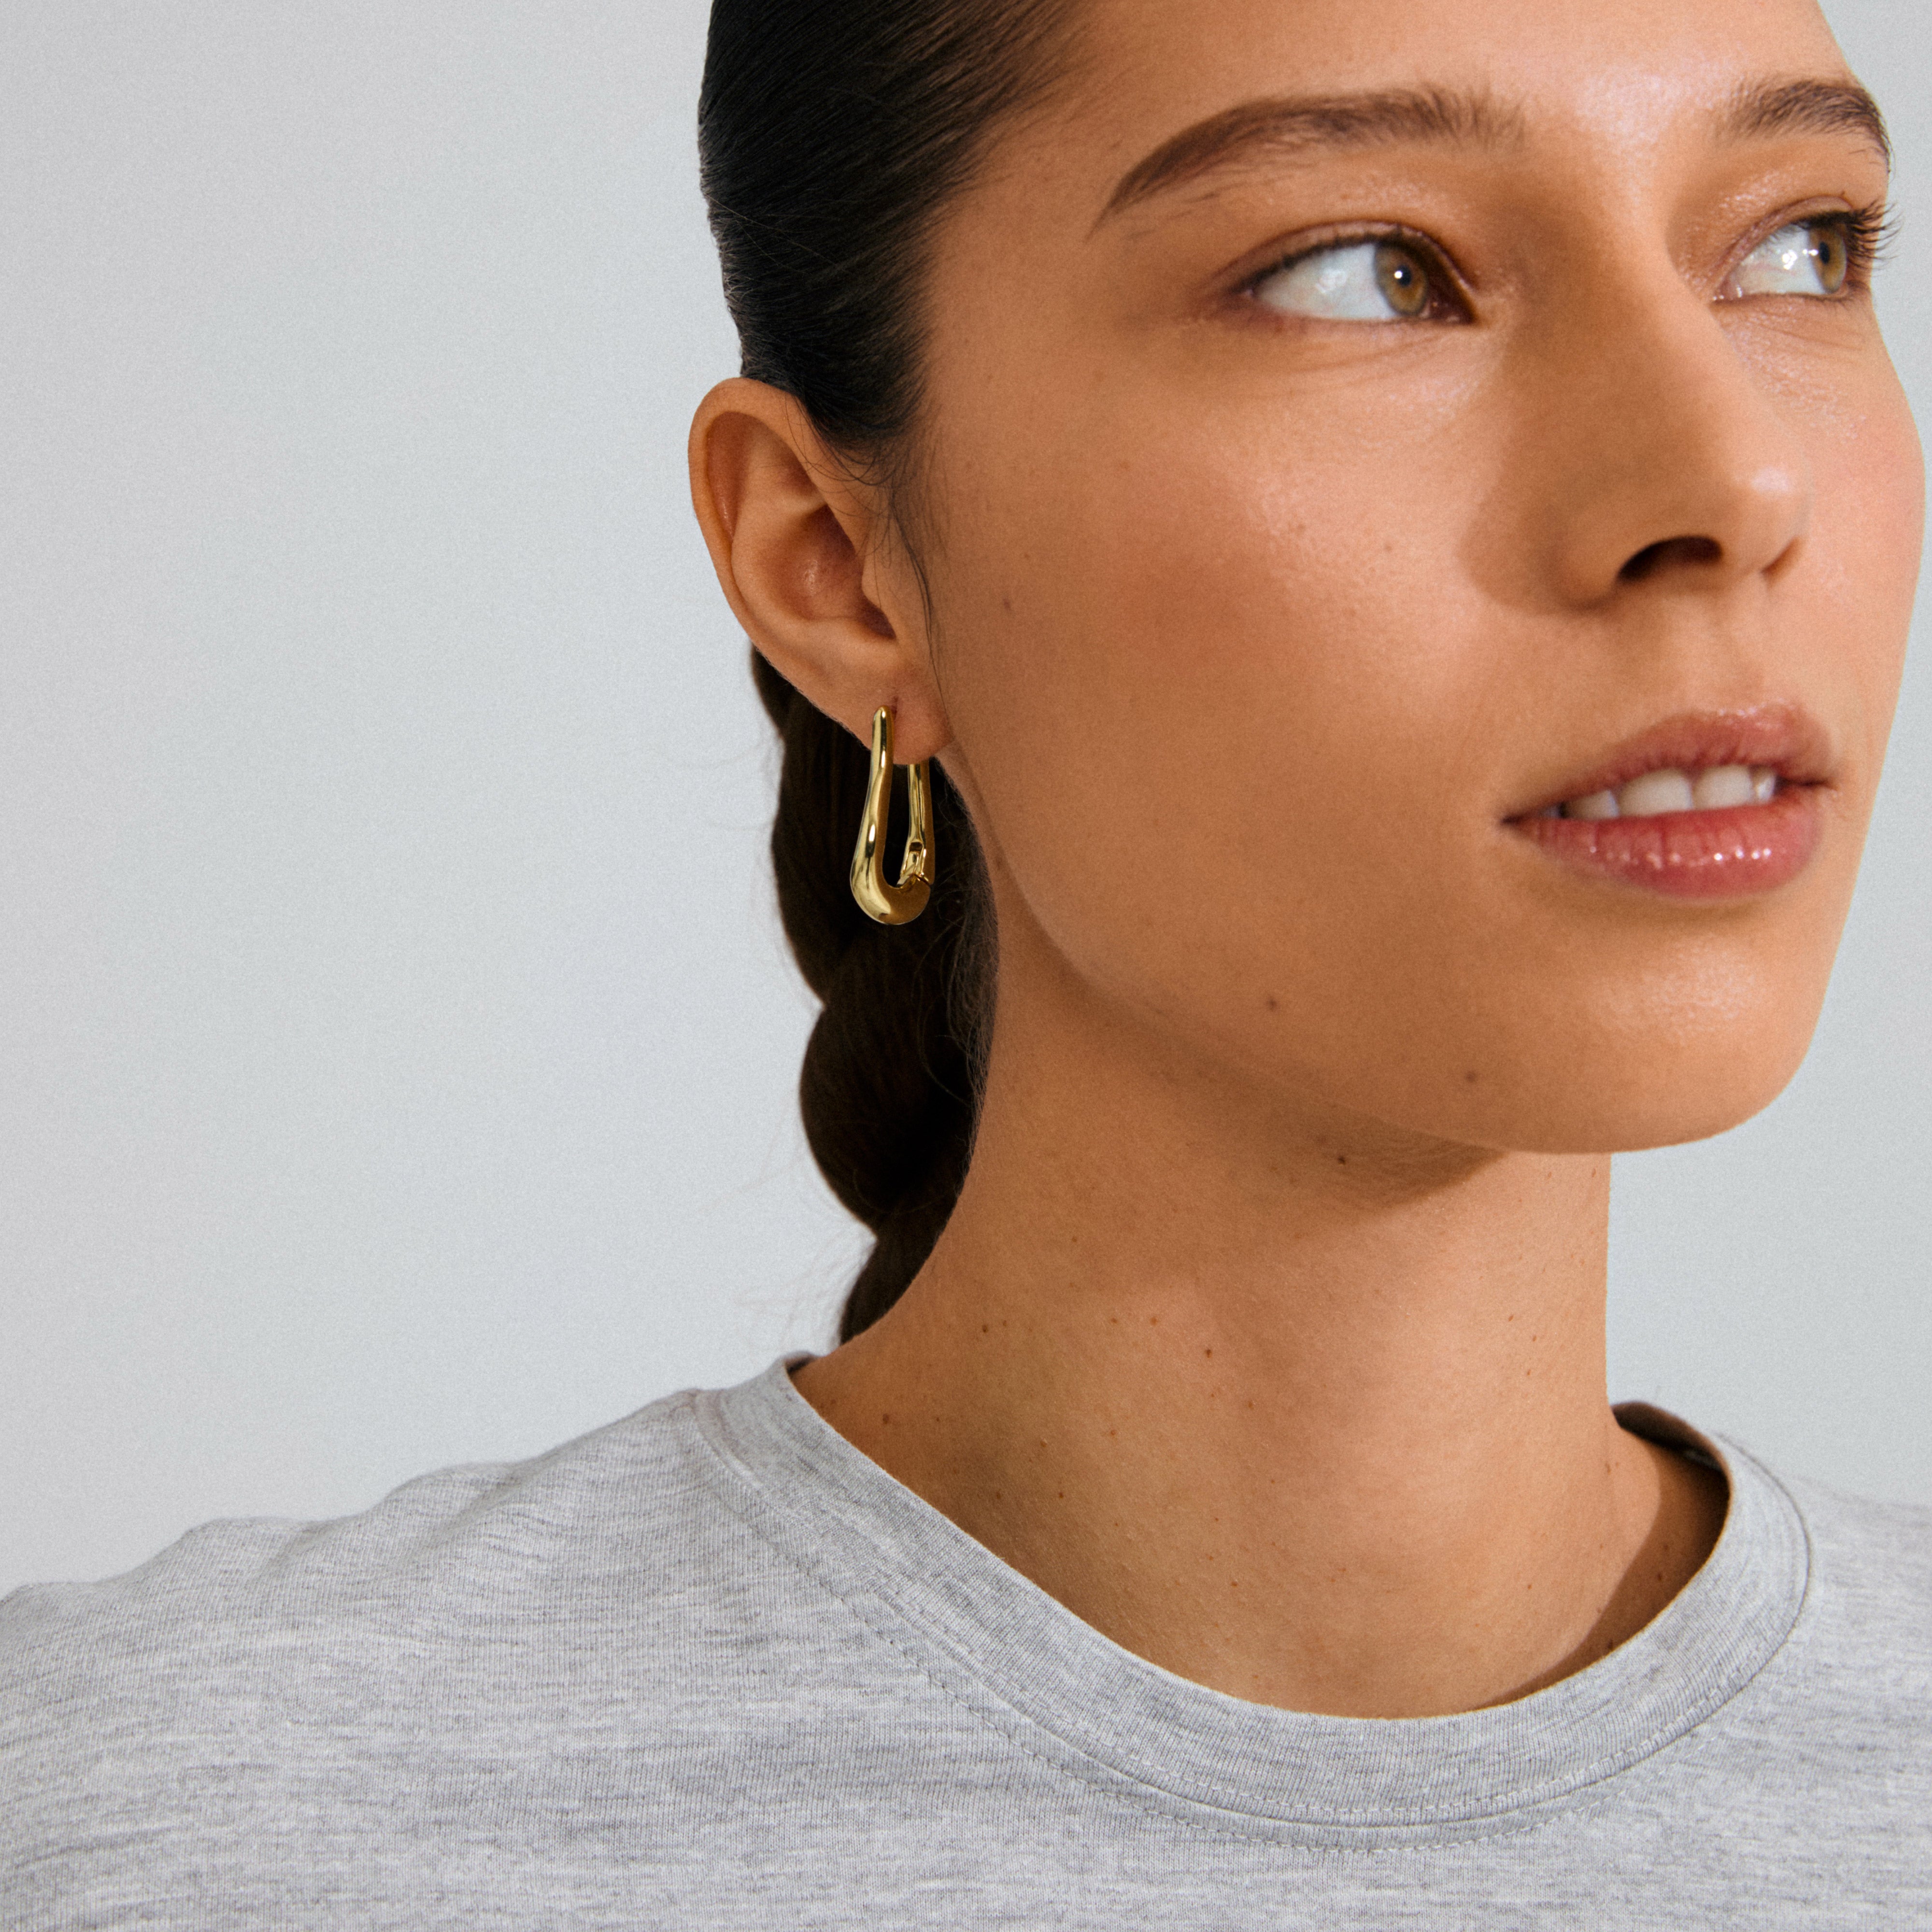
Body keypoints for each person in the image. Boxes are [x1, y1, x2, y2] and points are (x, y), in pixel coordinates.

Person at [3, 0, 1927, 1921]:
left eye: (1798, 247)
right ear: (834, 563)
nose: (1728, 482)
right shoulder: (160, 1823)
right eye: (1368, 272)